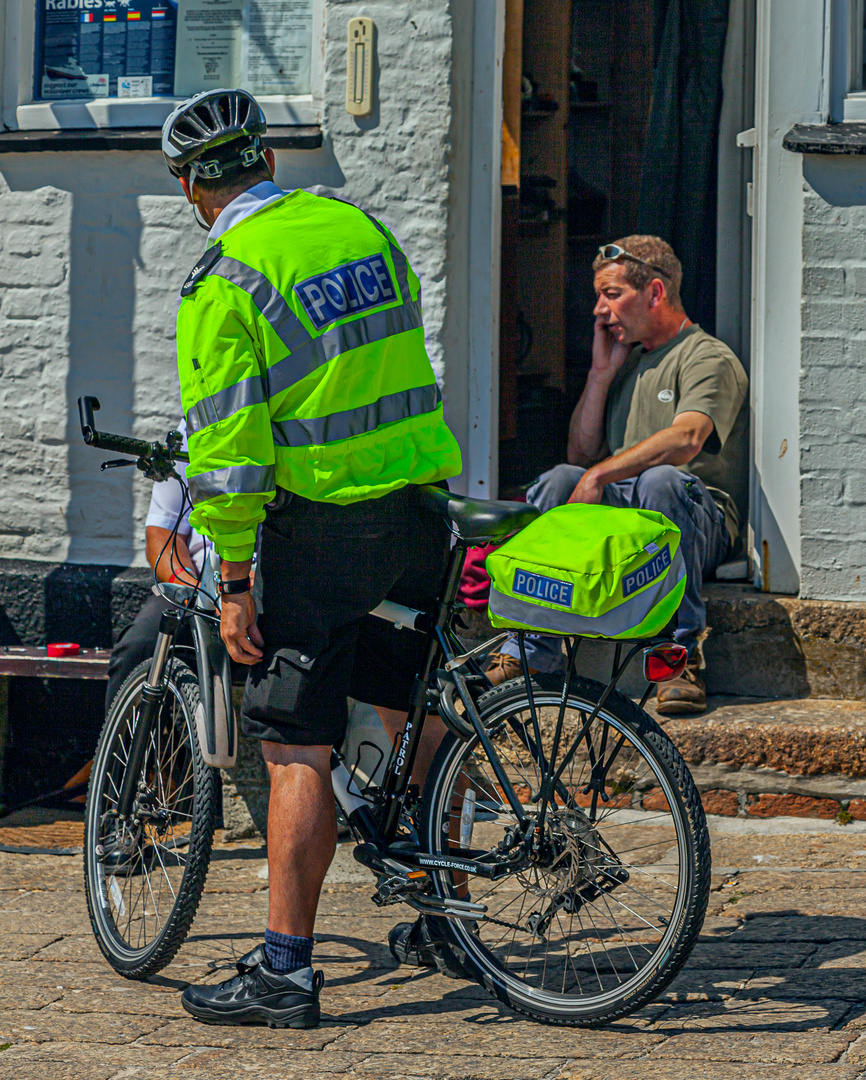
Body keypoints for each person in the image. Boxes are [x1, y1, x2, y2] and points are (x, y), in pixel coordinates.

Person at [160, 88, 464, 1027]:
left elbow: (230, 452)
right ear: (269, 163)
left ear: (189, 187)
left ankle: (285, 969)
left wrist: (239, 582)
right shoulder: (361, 230)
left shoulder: (225, 282)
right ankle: (443, 904)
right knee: (412, 698)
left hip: (320, 533)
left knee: (298, 740)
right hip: (418, 510)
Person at [487, 236, 747, 716]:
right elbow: (581, 453)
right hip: (629, 519)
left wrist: (602, 474)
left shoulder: (707, 356)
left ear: (654, 293)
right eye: (598, 295)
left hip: (694, 519)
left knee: (660, 481)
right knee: (559, 479)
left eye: (611, 294)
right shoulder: (626, 362)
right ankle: (531, 650)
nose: (598, 310)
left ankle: (678, 658)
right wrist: (601, 375)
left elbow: (688, 437)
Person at [105, 435, 209, 718]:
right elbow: (162, 535)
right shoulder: (198, 422)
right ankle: (122, 760)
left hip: (279, 588)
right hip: (201, 586)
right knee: (140, 647)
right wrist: (196, 590)